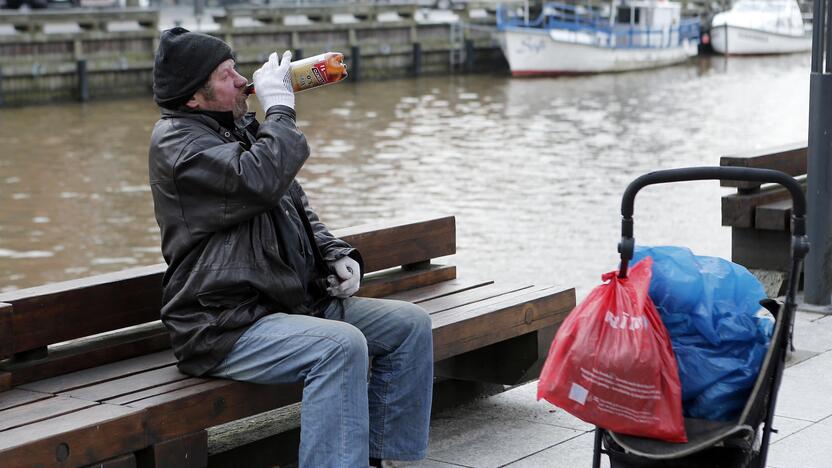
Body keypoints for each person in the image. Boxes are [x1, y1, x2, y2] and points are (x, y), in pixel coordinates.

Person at [148, 27, 433, 467]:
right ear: (193, 97)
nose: (244, 80)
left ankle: (391, 459)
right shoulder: (178, 145)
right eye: (228, 75)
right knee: (339, 347)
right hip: (224, 322)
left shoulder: (239, 129)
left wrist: (336, 254)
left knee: (410, 326)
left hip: (287, 304)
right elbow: (257, 180)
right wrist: (280, 109)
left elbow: (294, 204)